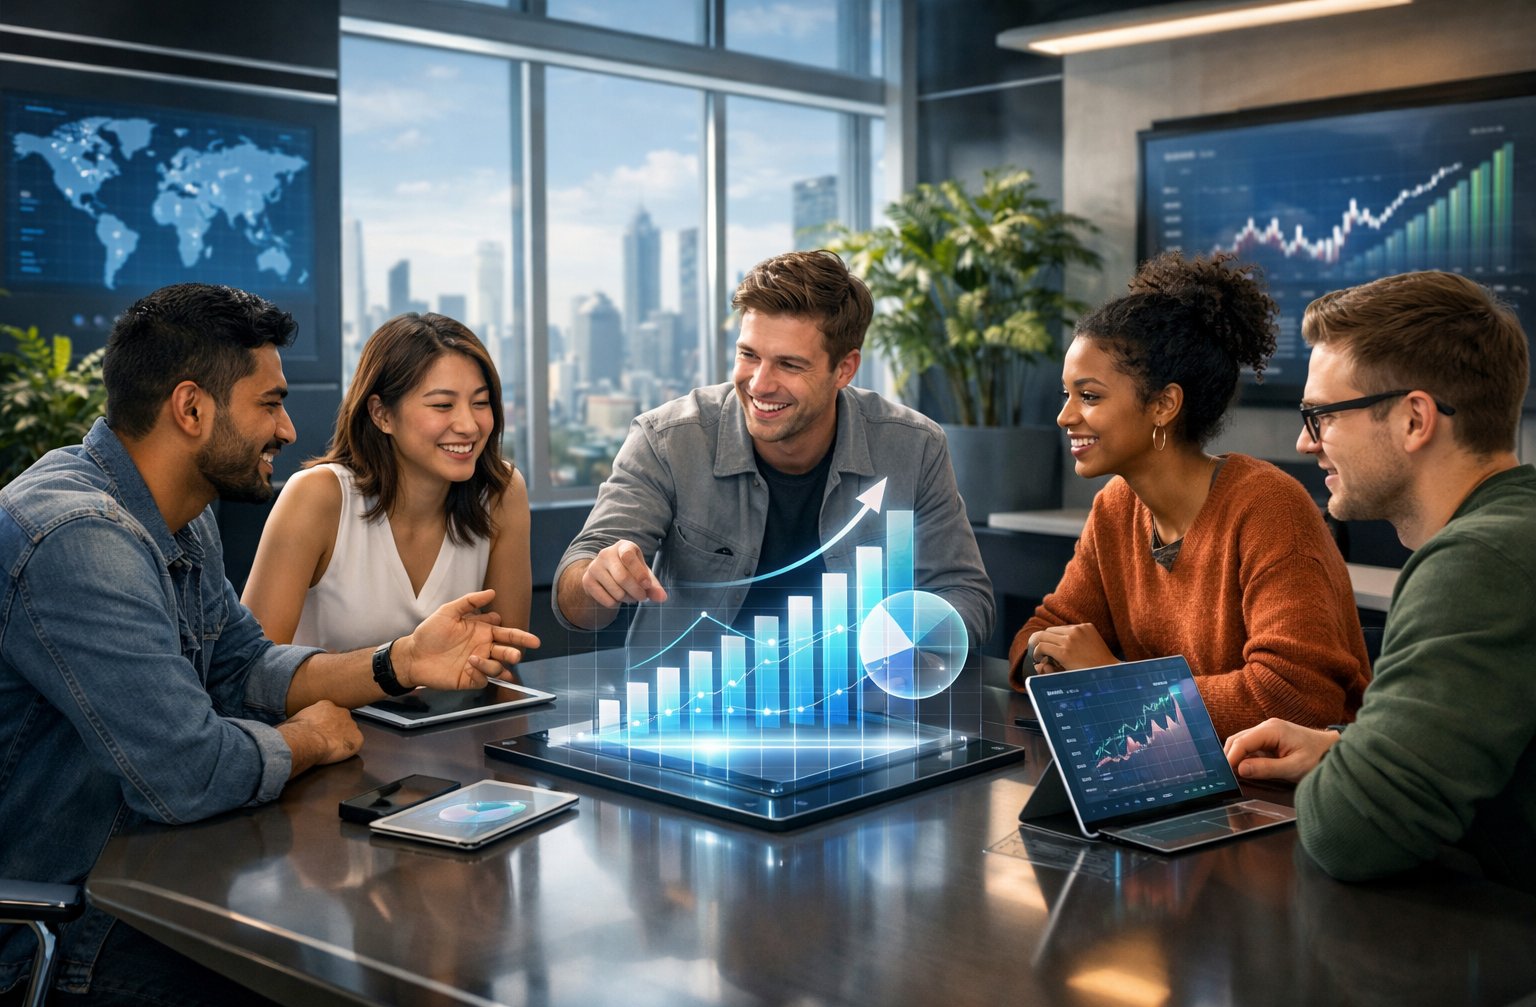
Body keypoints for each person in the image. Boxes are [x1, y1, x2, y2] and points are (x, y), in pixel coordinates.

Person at [0, 284, 536, 1007]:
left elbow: (245, 665)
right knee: (334, 1001)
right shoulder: (81, 538)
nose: (288, 428)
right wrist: (307, 739)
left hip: (154, 876)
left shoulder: (178, 518)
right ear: (191, 410)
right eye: (270, 403)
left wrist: (399, 662)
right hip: (68, 934)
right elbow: (188, 773)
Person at [1224, 270, 1536, 893]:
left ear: (1415, 420)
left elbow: (1350, 831)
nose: (1304, 443)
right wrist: (1345, 749)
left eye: (1321, 417)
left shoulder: (1477, 562)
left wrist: (1347, 778)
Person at [553, 248, 993, 655]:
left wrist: (903, 640)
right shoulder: (666, 439)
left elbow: (966, 595)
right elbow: (575, 591)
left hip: (857, 713)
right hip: (690, 716)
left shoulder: (914, 446)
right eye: (749, 355)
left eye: (789, 364)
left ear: (844, 368)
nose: (760, 384)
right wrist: (597, 581)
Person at [1010, 251, 1371, 739]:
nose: (1065, 416)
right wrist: (1051, 661)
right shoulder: (1116, 509)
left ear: (1163, 405)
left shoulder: (1268, 506)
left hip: (1292, 798)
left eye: (1089, 396)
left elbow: (1295, 697)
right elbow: (1037, 636)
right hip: (1174, 775)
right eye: (1066, 395)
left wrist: (1114, 683)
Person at [242, 312, 531, 650]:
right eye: (442, 405)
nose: (468, 425)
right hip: (326, 706)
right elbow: (252, 672)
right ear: (381, 414)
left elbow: (507, 656)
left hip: (463, 704)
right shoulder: (317, 496)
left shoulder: (501, 492)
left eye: (480, 403)